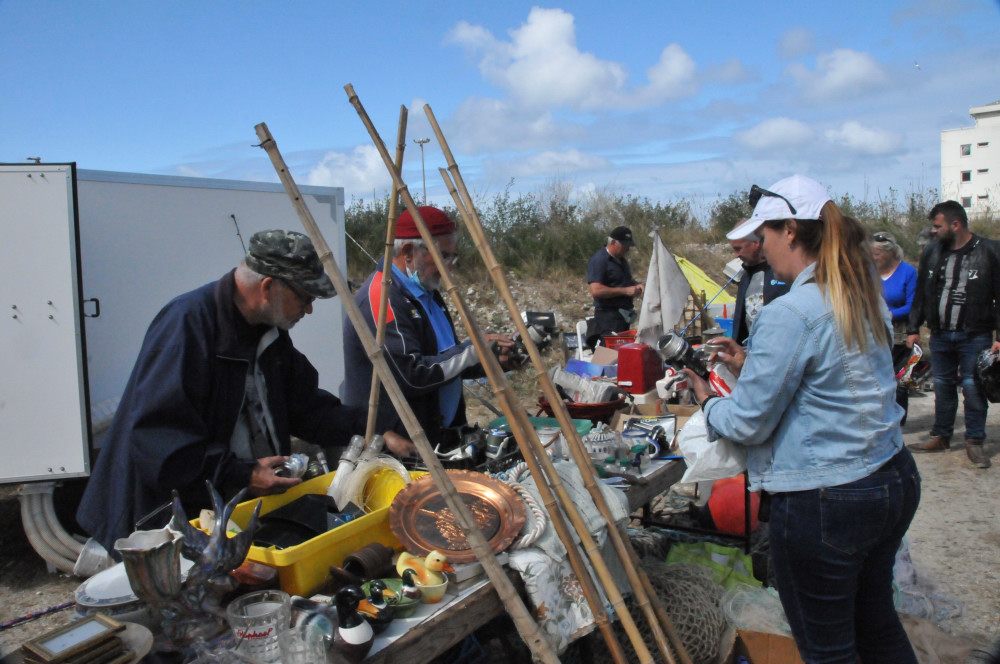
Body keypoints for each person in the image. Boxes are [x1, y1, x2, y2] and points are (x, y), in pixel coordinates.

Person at [687, 175, 920, 663]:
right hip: (890, 476)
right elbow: (830, 378)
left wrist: (707, 401)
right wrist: (750, 362)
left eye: (764, 235)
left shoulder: (791, 311)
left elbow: (748, 422)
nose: (761, 247)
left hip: (828, 498)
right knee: (877, 626)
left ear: (789, 230)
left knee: (828, 650)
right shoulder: (859, 291)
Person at [77, 230, 414, 555]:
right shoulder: (187, 325)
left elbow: (306, 407)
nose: (309, 309)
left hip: (225, 513)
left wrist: (375, 426)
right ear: (268, 287)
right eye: (305, 297)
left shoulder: (269, 333)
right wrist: (240, 474)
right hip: (158, 523)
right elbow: (158, 441)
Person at [343, 206, 513, 441]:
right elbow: (412, 375)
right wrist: (472, 350)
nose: (450, 265)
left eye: (453, 256)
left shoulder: (427, 292)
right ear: (409, 252)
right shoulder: (382, 299)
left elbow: (447, 363)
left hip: (439, 436)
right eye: (443, 256)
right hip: (399, 448)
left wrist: (495, 359)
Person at [906, 201, 1000, 469]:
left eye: (938, 226)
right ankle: (941, 435)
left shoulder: (991, 251)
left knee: (973, 387)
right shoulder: (933, 253)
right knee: (943, 386)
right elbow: (922, 293)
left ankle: (974, 441)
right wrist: (914, 328)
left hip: (976, 333)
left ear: (955, 225)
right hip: (941, 333)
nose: (934, 231)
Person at [871, 231, 918, 423]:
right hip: (874, 332)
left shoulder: (908, 272)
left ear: (890, 253)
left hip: (900, 334)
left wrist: (890, 314)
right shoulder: (870, 272)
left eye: (877, 254)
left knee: (898, 380)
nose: (873, 258)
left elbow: (913, 303)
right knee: (876, 378)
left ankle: (898, 421)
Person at [726, 218, 789, 344]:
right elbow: (741, 325)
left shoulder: (781, 274)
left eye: (738, 249)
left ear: (756, 243)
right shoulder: (745, 278)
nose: (735, 256)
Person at [586, 226, 644, 347]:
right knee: (611, 355)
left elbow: (626, 280)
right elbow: (596, 290)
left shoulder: (622, 261)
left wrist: (637, 285)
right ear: (612, 242)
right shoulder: (599, 260)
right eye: (624, 245)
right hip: (608, 318)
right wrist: (625, 291)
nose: (627, 249)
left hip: (623, 318)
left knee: (622, 353)